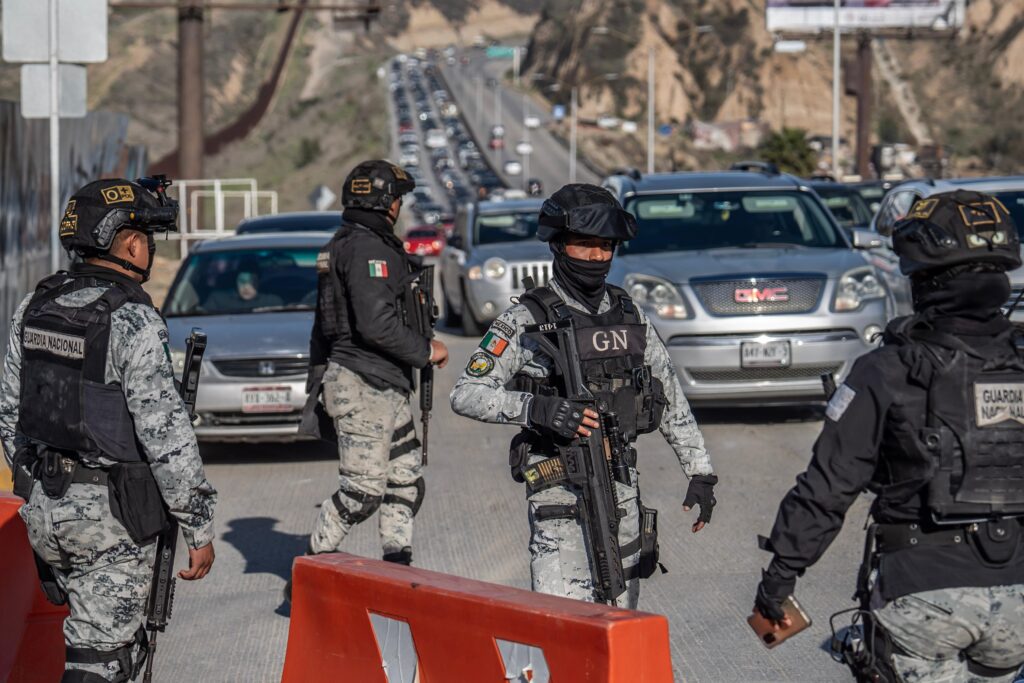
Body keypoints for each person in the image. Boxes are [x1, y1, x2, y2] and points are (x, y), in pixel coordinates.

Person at [754, 190, 1024, 682]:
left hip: (924, 595)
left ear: (924, 279)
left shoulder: (886, 369)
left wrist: (778, 580)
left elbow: (828, 487)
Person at [450, 183, 717, 608]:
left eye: (605, 246)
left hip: (621, 489)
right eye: (584, 245)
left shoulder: (629, 313)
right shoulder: (525, 318)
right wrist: (537, 408)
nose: (596, 257)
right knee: (564, 623)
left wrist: (700, 471)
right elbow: (467, 393)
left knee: (620, 623)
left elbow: (667, 391)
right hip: (559, 494)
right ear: (557, 245)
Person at [0, 178, 217, 682]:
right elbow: (168, 439)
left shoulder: (34, 306)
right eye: (147, 238)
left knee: (91, 642)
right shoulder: (133, 321)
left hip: (46, 514)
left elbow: (10, 412)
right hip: (110, 524)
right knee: (101, 661)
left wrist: (40, 487)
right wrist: (199, 526)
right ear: (131, 243)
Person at [294, 160, 447, 586]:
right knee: (362, 491)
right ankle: (313, 567)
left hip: (381, 383)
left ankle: (397, 568)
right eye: (397, 198)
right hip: (365, 383)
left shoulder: (347, 243)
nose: (400, 206)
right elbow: (375, 324)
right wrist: (426, 350)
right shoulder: (368, 249)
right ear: (385, 203)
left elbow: (324, 326)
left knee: (405, 482)